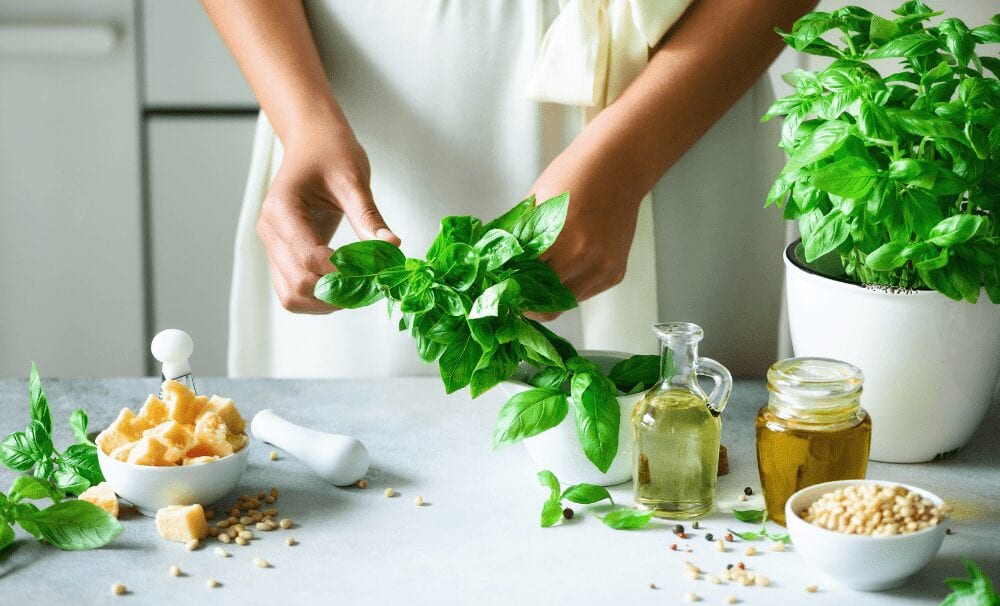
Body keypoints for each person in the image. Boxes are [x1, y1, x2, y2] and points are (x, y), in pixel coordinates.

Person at [203, 0, 816, 378]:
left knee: (695, 478)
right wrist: (301, 117)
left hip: (681, 103)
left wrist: (630, 160)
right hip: (361, 107)